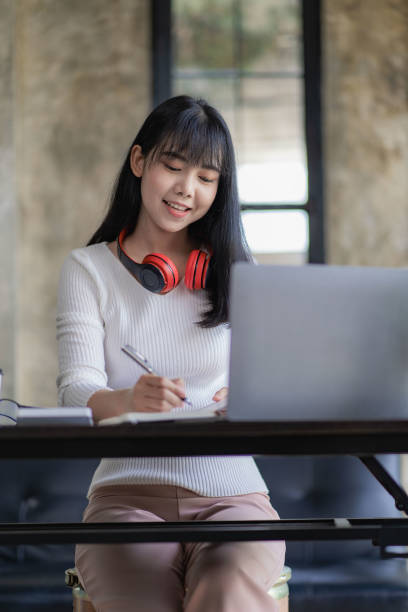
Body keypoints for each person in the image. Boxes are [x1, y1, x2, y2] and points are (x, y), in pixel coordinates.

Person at [56, 95, 285, 612]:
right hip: (126, 494)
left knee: (227, 594)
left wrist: (252, 397)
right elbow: (74, 392)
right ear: (140, 162)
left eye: (207, 177)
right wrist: (126, 400)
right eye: (174, 167)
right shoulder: (88, 268)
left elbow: (275, 380)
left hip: (235, 495)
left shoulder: (237, 270)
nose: (188, 189)